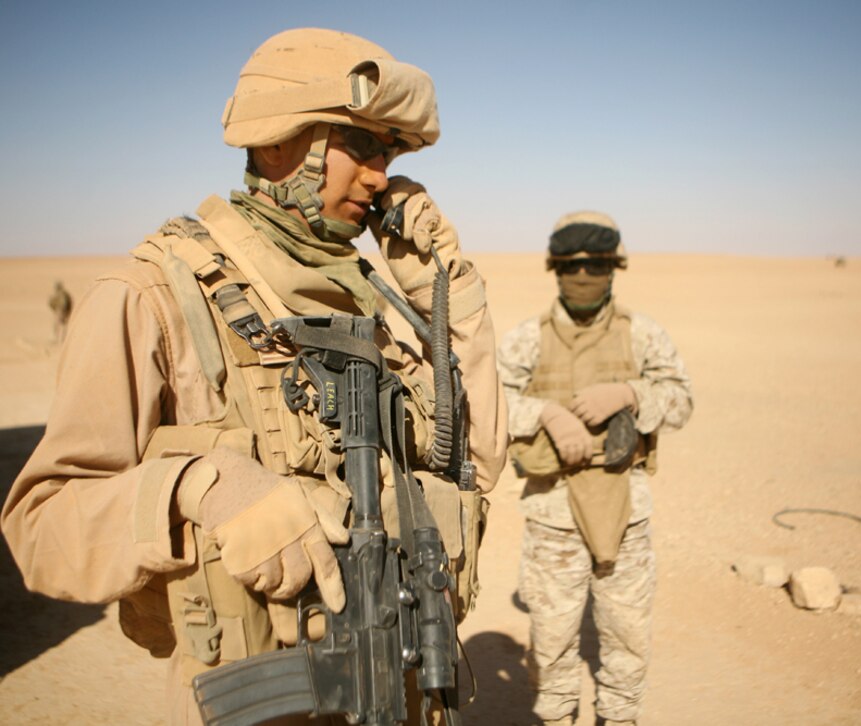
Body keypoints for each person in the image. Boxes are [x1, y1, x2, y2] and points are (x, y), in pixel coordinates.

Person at [2, 28, 507, 723]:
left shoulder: (376, 304)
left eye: (387, 152)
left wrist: (446, 293)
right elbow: (42, 526)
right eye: (360, 145)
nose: (379, 176)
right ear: (278, 141)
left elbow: (476, 463)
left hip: (405, 692)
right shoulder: (153, 296)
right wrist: (196, 485)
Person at [497, 212, 693, 726]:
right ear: (555, 269)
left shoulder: (641, 335)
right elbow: (487, 403)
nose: (584, 277)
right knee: (553, 641)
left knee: (627, 637)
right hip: (553, 517)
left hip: (625, 512)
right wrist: (547, 413)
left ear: (615, 267)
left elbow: (681, 402)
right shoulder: (528, 340)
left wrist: (630, 393)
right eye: (572, 266)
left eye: (597, 266)